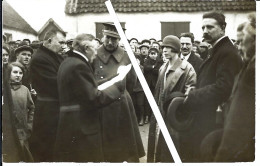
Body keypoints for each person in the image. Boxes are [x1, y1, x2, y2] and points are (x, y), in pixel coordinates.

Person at [54, 33, 129, 162]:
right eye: (95, 48)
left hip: (71, 123)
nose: (96, 53)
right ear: (86, 48)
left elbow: (87, 87)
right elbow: (93, 98)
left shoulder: (69, 61)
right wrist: (116, 90)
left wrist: (113, 78)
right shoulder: (79, 65)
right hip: (82, 128)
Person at [183, 11, 243, 161]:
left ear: (223, 28)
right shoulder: (216, 50)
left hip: (214, 122)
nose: (205, 31)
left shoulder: (227, 52)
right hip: (206, 119)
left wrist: (193, 95)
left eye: (210, 27)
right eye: (203, 28)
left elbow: (223, 88)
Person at [92, 23, 145, 162]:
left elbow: (132, 82)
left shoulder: (127, 57)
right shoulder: (94, 55)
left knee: (125, 148)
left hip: (122, 105)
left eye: (114, 39)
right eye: (108, 38)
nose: (110, 42)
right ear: (103, 36)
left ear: (119, 40)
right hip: (101, 105)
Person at [214, 12, 256, 162]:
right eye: (237, 42)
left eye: (242, 41)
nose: (238, 47)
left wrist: (222, 157)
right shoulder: (247, 65)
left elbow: (240, 120)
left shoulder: (252, 70)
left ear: (255, 41)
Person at [147, 35, 196, 162]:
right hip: (160, 113)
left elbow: (190, 92)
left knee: (173, 149)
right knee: (159, 146)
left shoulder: (187, 68)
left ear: (175, 49)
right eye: (163, 47)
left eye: (168, 47)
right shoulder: (163, 67)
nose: (164, 50)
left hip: (174, 116)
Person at [29, 30, 65, 162]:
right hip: (48, 111)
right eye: (60, 42)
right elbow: (55, 83)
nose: (63, 45)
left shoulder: (56, 56)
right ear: (49, 41)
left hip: (56, 108)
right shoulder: (39, 59)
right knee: (47, 148)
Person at [2, 62, 34, 162]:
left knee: (24, 156)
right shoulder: (4, 90)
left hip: (23, 131)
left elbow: (32, 108)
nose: (18, 75)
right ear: (8, 74)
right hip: (8, 131)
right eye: (15, 72)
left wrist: (29, 125)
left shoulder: (25, 90)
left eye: (20, 73)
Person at [143, 47, 163, 124]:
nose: (153, 55)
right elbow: (146, 68)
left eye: (154, 54)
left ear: (157, 54)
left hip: (155, 84)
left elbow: (157, 71)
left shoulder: (159, 62)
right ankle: (147, 117)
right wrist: (153, 67)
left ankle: (153, 117)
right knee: (147, 101)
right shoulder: (147, 61)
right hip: (148, 84)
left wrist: (152, 68)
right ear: (149, 54)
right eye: (151, 54)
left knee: (155, 100)